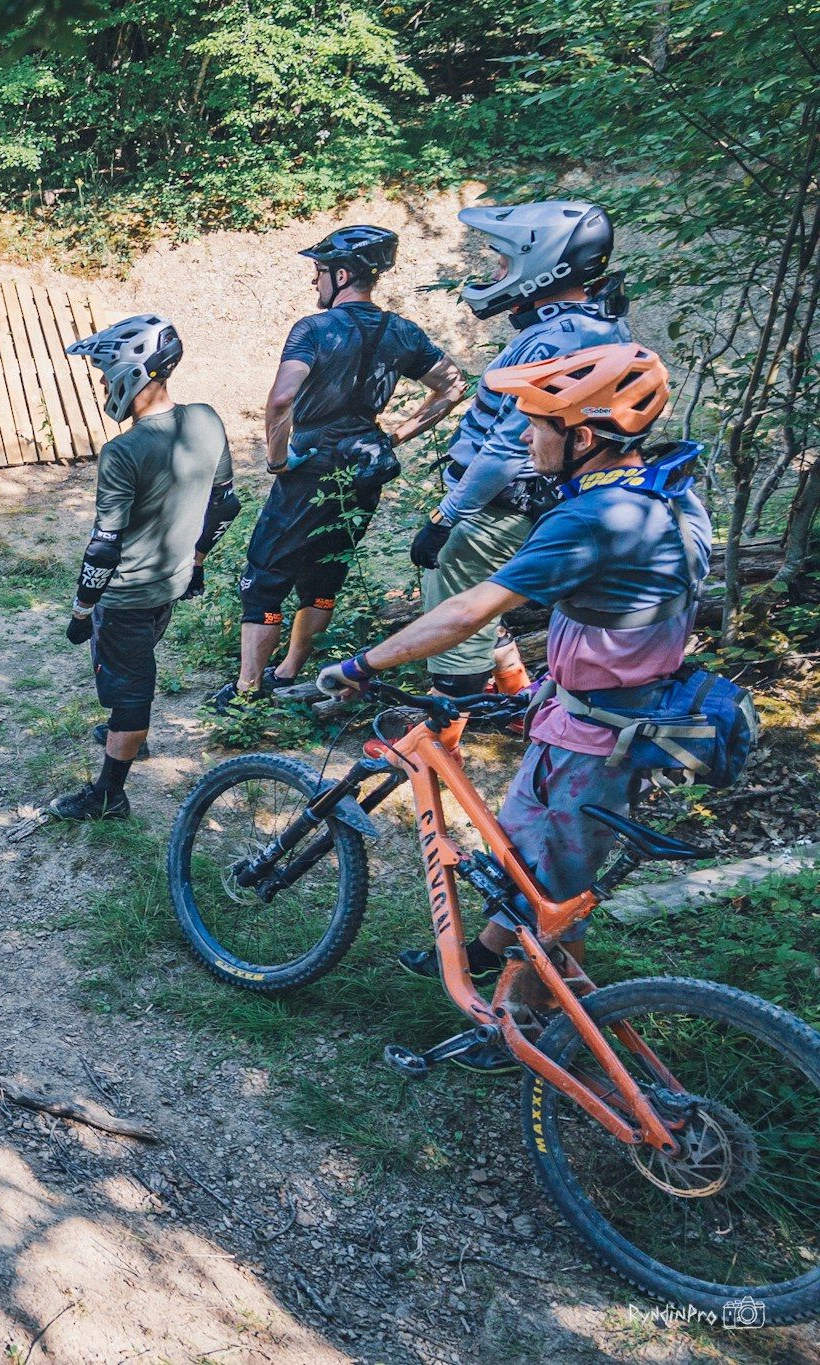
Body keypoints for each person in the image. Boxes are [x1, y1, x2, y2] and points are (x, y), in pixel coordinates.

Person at [317, 342, 707, 1071]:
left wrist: (360, 663)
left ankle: (523, 1028)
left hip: (597, 739)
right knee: (529, 858)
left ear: (582, 437)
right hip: (595, 712)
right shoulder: (664, 488)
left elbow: (468, 610)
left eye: (537, 425)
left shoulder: (595, 517)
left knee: (553, 892)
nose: (526, 438)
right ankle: (489, 954)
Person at [214, 226, 466, 712]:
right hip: (367, 464)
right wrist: (394, 436)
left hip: (312, 465)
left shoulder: (314, 329)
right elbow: (453, 385)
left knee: (265, 575)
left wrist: (277, 460)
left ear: (343, 275)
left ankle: (248, 692)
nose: (314, 281)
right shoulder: (403, 331)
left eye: (320, 271)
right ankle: (289, 672)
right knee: (326, 573)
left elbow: (282, 399)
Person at [408, 202, 631, 702]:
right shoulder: (597, 322)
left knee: (457, 623)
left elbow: (509, 448)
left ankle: (442, 733)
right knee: (487, 607)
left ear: (542, 265)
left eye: (504, 264)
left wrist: (446, 518)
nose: (495, 275)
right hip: (534, 497)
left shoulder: (553, 340)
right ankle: (514, 700)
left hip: (500, 506)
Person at [50, 315, 238, 821]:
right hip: (171, 581)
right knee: (133, 671)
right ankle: (126, 732)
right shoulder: (206, 419)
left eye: (104, 374)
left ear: (130, 373)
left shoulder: (123, 451)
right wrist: (197, 563)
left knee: (133, 690)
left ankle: (109, 796)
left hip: (127, 594)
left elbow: (104, 547)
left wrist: (81, 611)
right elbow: (225, 503)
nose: (102, 385)